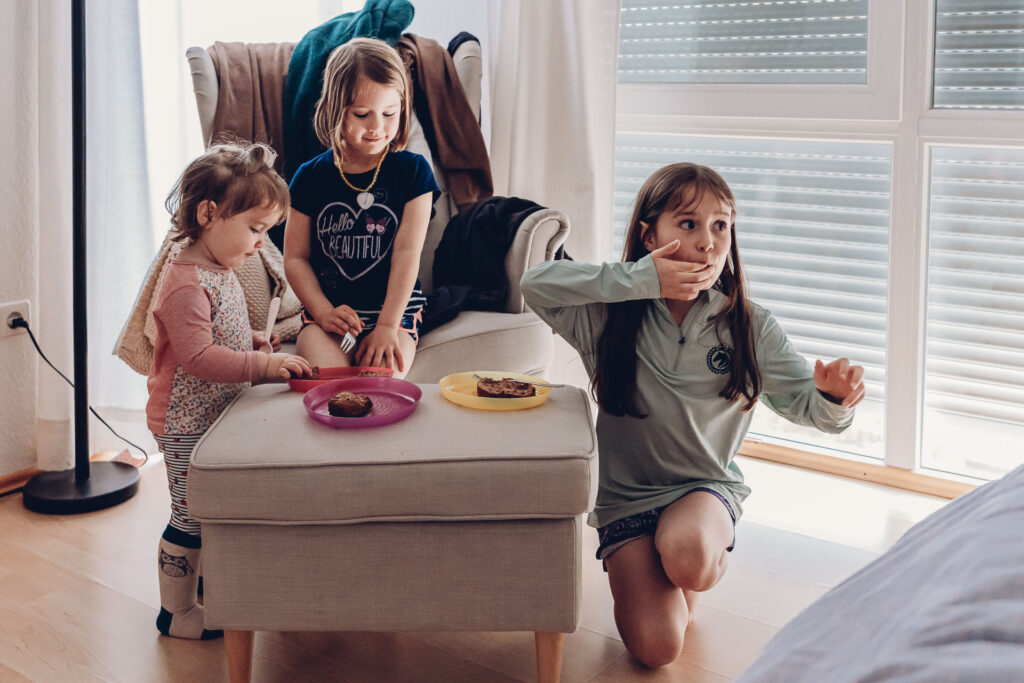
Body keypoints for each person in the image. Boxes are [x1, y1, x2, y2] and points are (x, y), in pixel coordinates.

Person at [520, 163, 865, 668]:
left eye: (720, 225)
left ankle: (690, 565)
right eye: (688, 224)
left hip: (703, 490)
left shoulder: (749, 323)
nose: (708, 242)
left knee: (690, 560)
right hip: (627, 501)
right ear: (648, 233)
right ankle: (666, 566)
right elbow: (535, 284)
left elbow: (810, 408)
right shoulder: (609, 312)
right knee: (657, 651)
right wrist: (638, 279)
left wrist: (836, 398)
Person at [147, 142, 312, 640]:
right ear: (208, 214)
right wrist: (262, 364)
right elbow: (197, 357)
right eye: (255, 229)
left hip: (213, 417)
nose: (261, 243)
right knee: (190, 515)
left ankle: (206, 588)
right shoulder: (183, 282)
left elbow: (221, 335)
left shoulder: (219, 270)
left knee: (213, 506)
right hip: (183, 424)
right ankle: (174, 612)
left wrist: (257, 339)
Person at [284, 37, 440, 378]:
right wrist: (323, 312)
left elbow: (407, 254)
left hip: (394, 312)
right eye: (361, 114)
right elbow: (295, 258)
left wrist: (387, 326)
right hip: (330, 315)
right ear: (334, 108)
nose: (377, 127)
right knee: (330, 385)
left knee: (379, 387)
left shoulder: (414, 173)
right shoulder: (308, 177)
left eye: (389, 113)